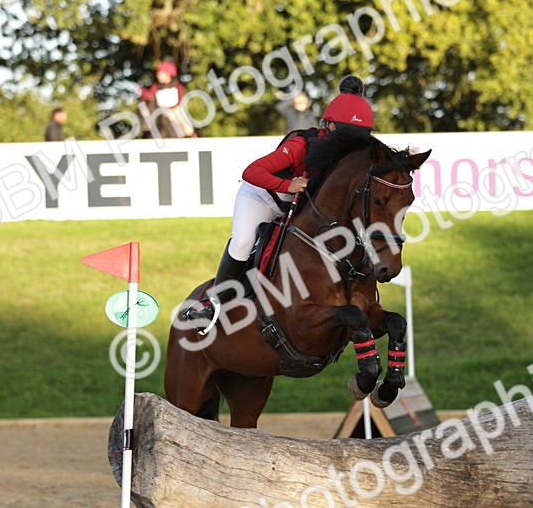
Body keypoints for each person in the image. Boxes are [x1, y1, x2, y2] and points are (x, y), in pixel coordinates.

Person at [183, 76, 374, 325]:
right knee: (243, 242)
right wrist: (288, 185)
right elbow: (251, 171)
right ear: (331, 128)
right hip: (262, 196)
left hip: (295, 207)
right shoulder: (301, 144)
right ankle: (212, 306)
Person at [140, 60, 196, 138]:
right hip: (162, 113)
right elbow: (149, 95)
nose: (158, 75)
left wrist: (171, 111)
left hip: (176, 111)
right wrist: (142, 91)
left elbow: (180, 100)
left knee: (188, 129)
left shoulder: (177, 86)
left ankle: (194, 139)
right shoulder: (156, 87)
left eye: (160, 74)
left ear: (168, 74)